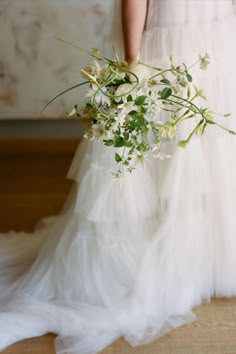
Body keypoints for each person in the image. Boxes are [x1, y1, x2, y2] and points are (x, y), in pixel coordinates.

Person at [0, 0, 236, 353]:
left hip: (203, 36)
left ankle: (194, 256)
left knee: (189, 151)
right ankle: (193, 255)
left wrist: (131, 65)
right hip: (201, 37)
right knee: (196, 149)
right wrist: (132, 65)